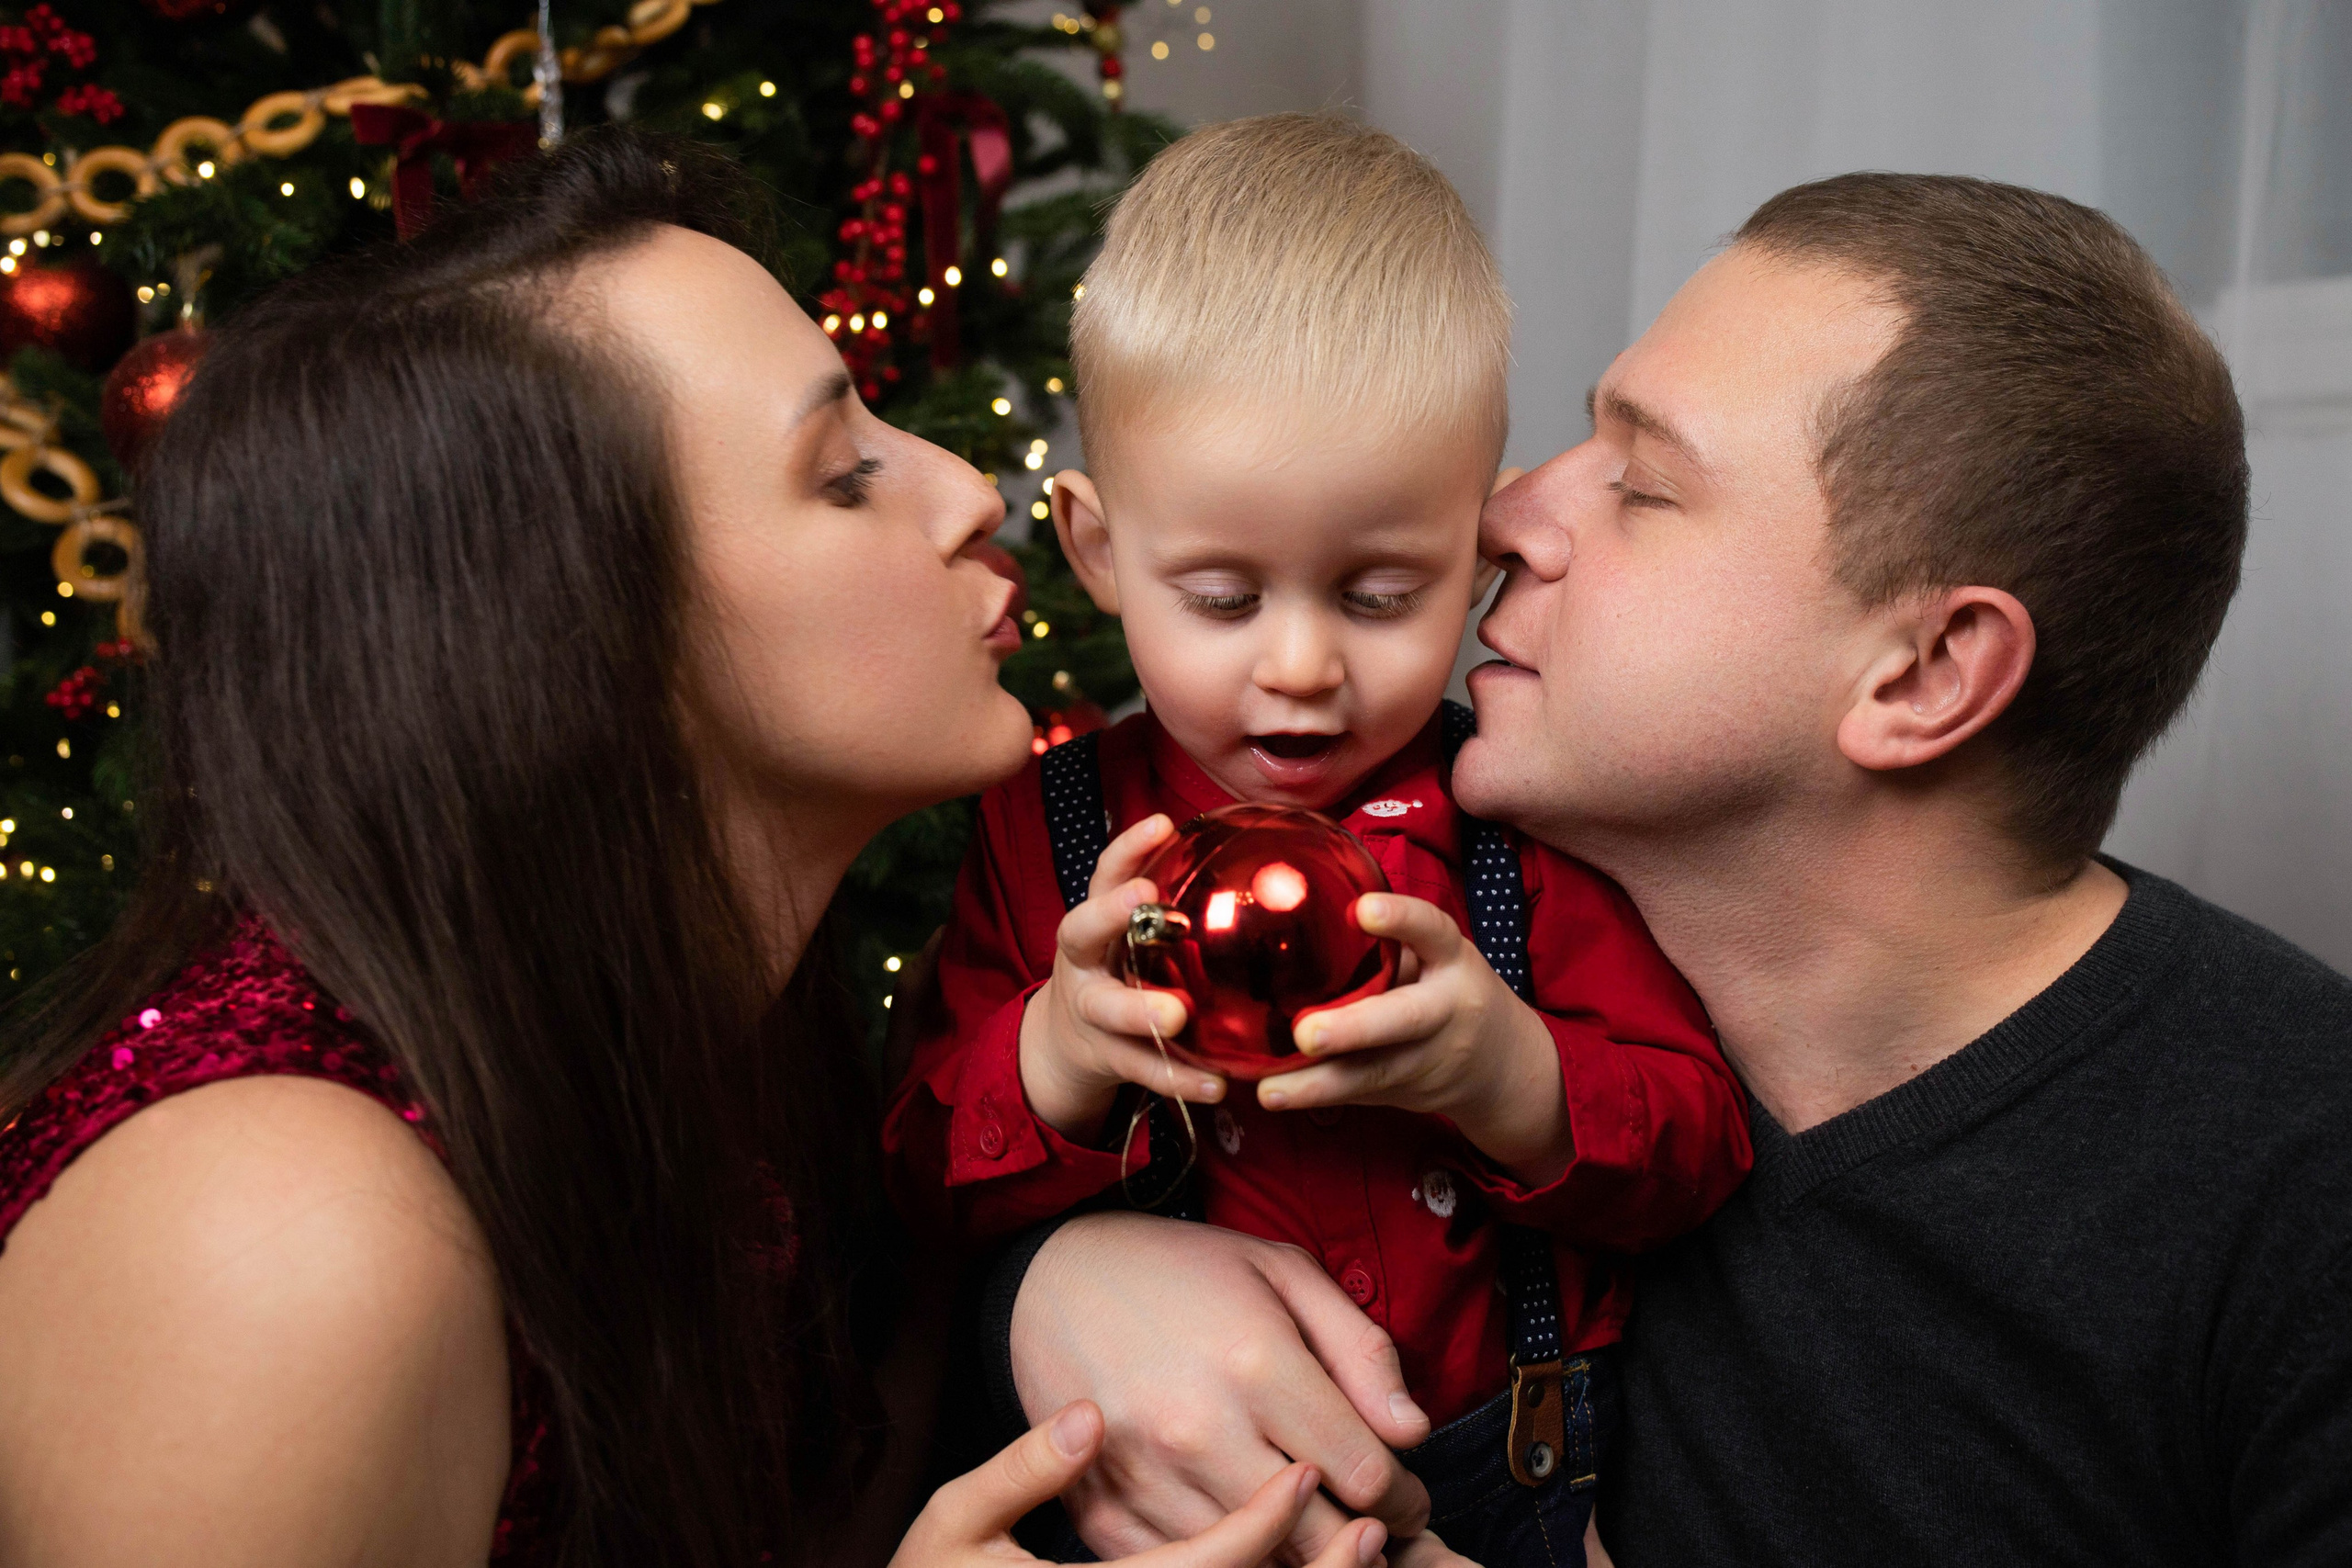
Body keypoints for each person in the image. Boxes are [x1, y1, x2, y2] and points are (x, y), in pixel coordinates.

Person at [0, 129, 1391, 1568]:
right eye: (841, 473)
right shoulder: (280, 1235)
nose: (970, 491)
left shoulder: (725, 1053)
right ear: (575, 641)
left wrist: (1043, 1273)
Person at [974, 173, 2352, 1564]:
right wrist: (1046, 1283)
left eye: (1640, 482)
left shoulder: (2300, 1191)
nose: (1503, 518)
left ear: (1924, 673)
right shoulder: (1412, 896)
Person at [884, 114, 1749, 1568]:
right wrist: (1058, 1053)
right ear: (1096, 549)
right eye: (1224, 599)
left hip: (1500, 1483)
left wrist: (1507, 1074)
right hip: (1157, 1505)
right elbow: (914, 1183)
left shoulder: (1513, 820)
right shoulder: (1053, 827)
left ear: (1477, 548)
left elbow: (1700, 1146)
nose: (1299, 668)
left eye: (1379, 595)